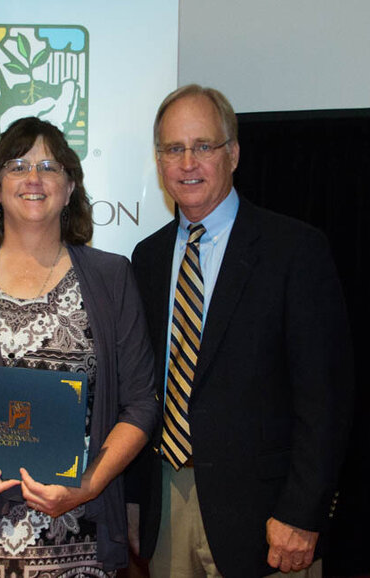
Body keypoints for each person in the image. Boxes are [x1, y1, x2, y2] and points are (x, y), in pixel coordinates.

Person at [0, 116, 158, 575]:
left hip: (82, 537)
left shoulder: (110, 276)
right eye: (17, 166)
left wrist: (88, 486)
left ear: (70, 186)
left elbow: (139, 404)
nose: (34, 178)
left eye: (50, 167)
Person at [127, 84, 354, 577]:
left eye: (203, 146)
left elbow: (326, 398)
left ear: (233, 153)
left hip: (269, 519)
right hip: (165, 505)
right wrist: (132, 502)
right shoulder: (146, 259)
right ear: (160, 161)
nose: (188, 162)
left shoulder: (294, 251)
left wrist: (302, 510)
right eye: (173, 148)